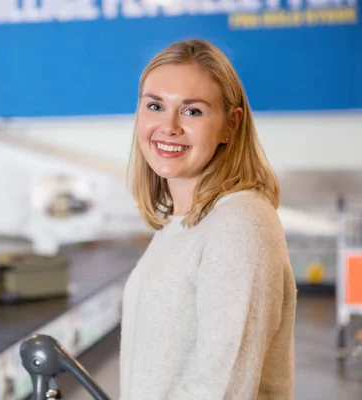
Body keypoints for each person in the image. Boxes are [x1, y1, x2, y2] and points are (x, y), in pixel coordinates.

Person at [120, 39, 297, 399]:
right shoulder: (182, 224)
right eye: (155, 106)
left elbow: (221, 385)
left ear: (230, 125)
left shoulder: (239, 224)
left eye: (193, 111)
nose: (168, 126)